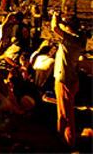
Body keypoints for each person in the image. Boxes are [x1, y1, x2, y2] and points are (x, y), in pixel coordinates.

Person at [51, 12, 86, 148]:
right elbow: (62, 28)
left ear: (69, 28)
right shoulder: (80, 38)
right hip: (71, 78)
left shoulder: (71, 39)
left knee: (66, 113)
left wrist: (55, 17)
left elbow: (55, 28)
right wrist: (62, 20)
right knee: (65, 110)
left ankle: (68, 141)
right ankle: (62, 137)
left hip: (64, 79)